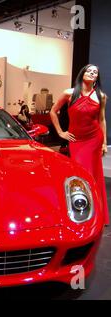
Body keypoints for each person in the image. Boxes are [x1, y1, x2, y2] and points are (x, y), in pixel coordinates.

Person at [50, 64, 109, 225]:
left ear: (97, 78)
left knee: (93, 174)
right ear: (82, 73)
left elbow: (101, 120)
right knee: (80, 173)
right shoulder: (69, 93)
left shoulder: (101, 96)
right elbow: (53, 111)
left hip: (94, 139)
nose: (92, 73)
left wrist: (104, 142)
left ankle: (95, 213)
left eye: (95, 72)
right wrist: (61, 132)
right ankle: (78, 208)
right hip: (76, 140)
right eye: (89, 70)